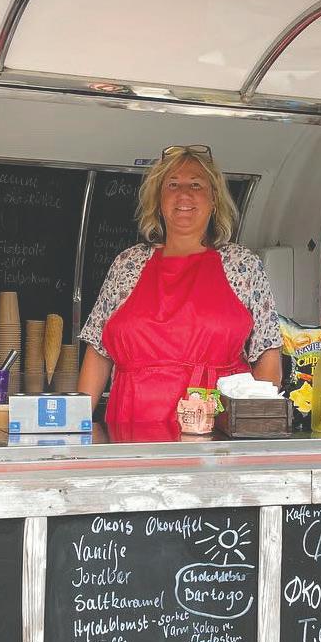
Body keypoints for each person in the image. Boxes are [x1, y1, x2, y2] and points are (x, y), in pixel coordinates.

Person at [77, 144, 281, 437]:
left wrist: (253, 434)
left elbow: (267, 355)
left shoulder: (242, 265)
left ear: (214, 199)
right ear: (158, 201)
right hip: (131, 434)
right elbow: (99, 351)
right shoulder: (127, 264)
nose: (184, 194)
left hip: (214, 439)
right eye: (172, 184)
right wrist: (77, 430)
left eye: (196, 184)